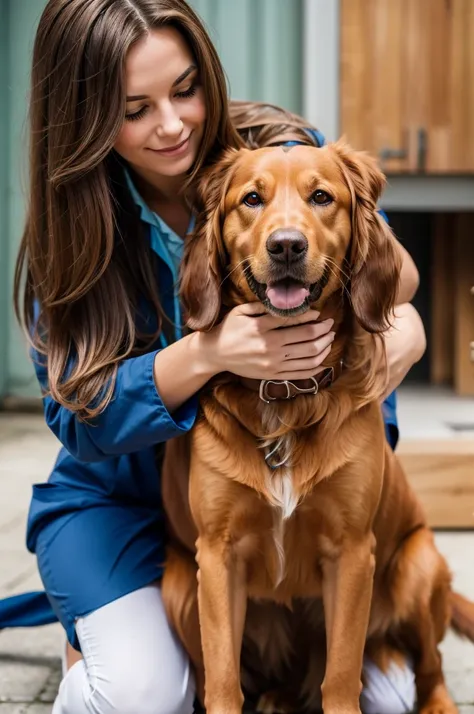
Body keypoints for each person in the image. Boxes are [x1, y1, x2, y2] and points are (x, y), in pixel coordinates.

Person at [0, 1, 426, 712]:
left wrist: (405, 326)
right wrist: (208, 353)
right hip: (120, 496)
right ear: (85, 119)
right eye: (133, 108)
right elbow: (81, 419)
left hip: (285, 472)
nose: (171, 124)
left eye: (186, 89)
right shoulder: (70, 234)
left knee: (387, 698)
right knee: (140, 693)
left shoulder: (278, 145)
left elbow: (387, 268)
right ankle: (101, 630)